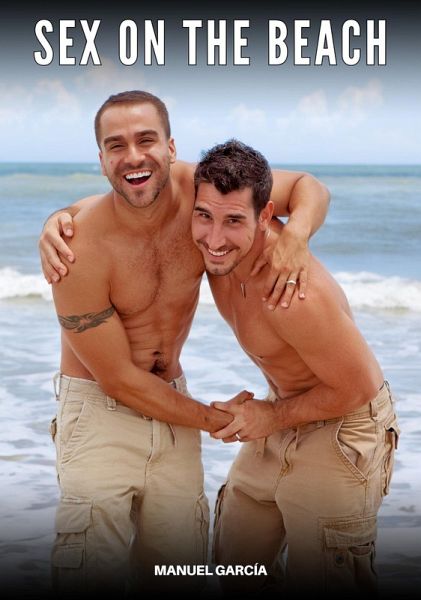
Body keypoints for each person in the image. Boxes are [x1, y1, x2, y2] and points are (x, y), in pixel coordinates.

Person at [41, 91, 330, 596]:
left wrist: (296, 236)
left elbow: (309, 187)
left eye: (146, 140)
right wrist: (219, 420)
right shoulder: (76, 248)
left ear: (171, 147)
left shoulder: (204, 199)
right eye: (116, 146)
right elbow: (119, 380)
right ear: (102, 160)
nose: (133, 156)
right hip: (100, 413)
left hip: (173, 401)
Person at [190, 140, 400, 596]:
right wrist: (59, 222)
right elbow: (308, 186)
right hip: (283, 409)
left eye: (234, 221)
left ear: (265, 215)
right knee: (235, 565)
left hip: (345, 423)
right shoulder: (205, 213)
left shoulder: (292, 294)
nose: (215, 239)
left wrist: (271, 417)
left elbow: (360, 387)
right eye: (204, 216)